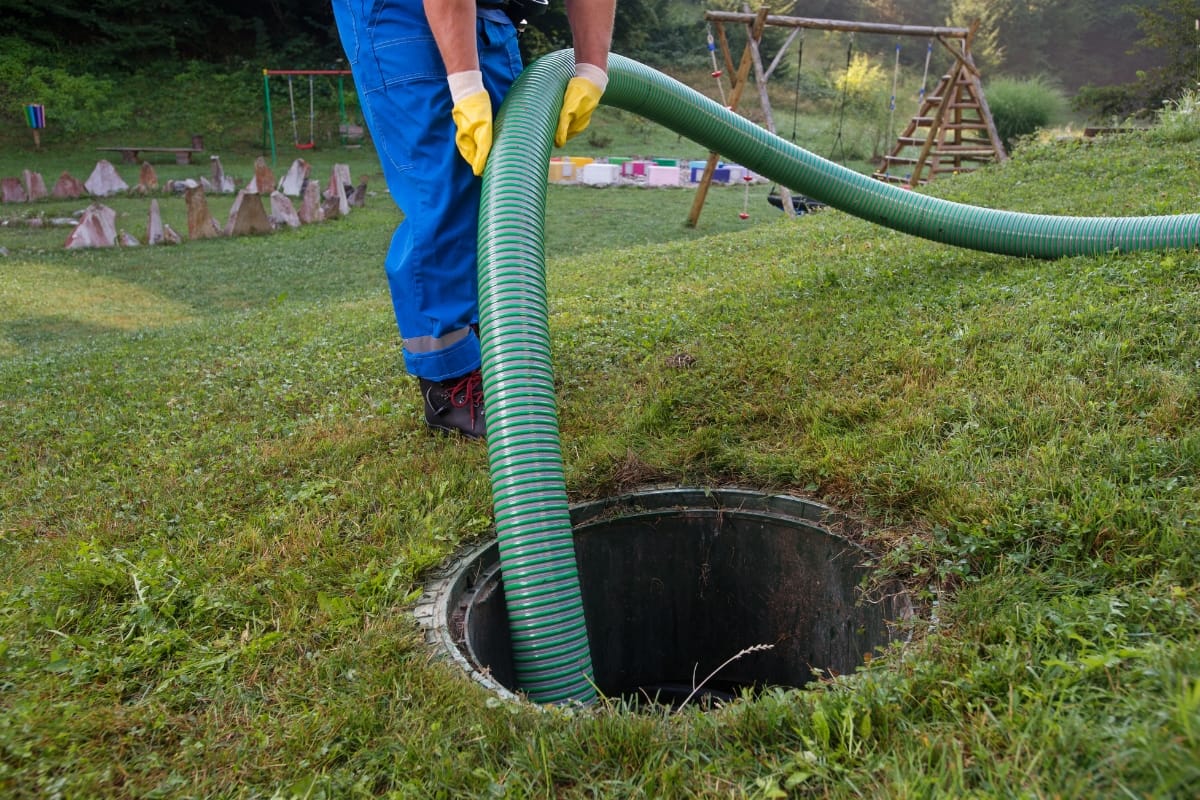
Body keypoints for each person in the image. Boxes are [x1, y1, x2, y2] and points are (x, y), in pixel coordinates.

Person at [331, 0, 617, 439]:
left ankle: (492, 356)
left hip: (491, 15)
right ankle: (450, 383)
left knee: (499, 185)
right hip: (398, 12)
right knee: (442, 185)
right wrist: (464, 87)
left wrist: (593, 69)